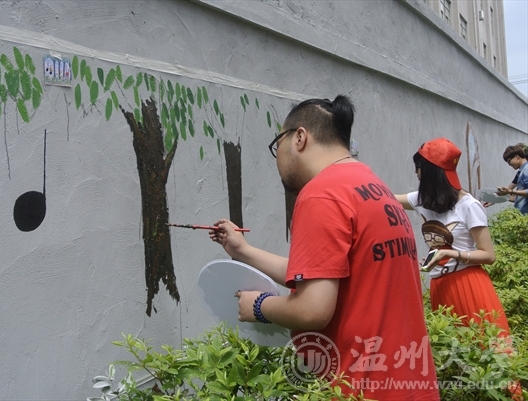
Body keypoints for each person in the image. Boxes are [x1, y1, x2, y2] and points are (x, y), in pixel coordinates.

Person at [210, 96, 439, 400]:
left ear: (299, 138)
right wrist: (243, 251)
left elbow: (312, 310)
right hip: (409, 382)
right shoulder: (372, 185)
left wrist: (259, 305)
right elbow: (324, 273)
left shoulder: (320, 195)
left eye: (278, 143)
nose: (277, 157)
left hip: (361, 387)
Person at [395, 138, 511, 334]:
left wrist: (449, 254)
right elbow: (383, 199)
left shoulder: (469, 205)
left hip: (468, 285)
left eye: (418, 168)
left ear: (429, 172)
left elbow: (488, 255)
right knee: (451, 347)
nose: (416, 173)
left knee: (481, 345)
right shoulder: (420, 200)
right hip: (439, 285)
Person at [495, 144, 528, 214]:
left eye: (509, 161)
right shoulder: (522, 171)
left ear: (517, 157)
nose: (509, 164)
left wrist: (511, 191)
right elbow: (518, 195)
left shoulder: (526, 170)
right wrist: (493, 199)